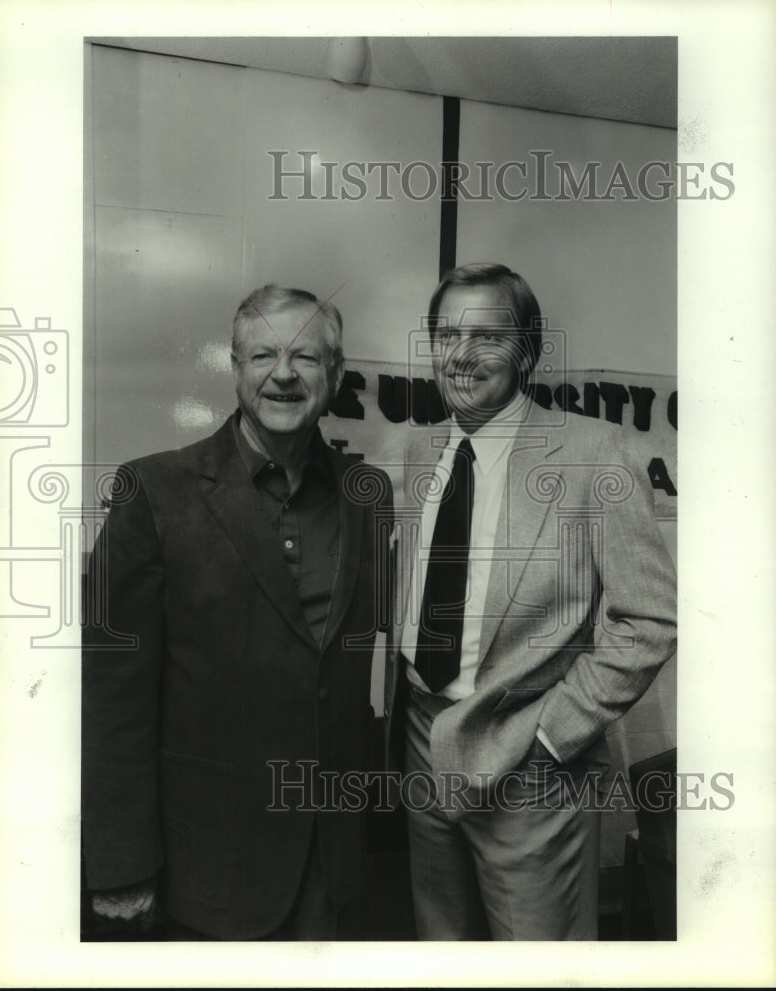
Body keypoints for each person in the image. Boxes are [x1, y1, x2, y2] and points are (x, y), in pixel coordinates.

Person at [82, 284, 392, 941]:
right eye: (263, 356)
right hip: (208, 864)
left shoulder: (366, 497)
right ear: (235, 367)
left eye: (306, 358)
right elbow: (113, 702)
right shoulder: (154, 491)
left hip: (328, 860)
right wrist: (119, 865)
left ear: (334, 375)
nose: (283, 374)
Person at [384, 263, 677, 940]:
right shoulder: (419, 450)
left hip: (531, 761)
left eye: (487, 336)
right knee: (441, 944)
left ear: (528, 350)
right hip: (422, 741)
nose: (461, 355)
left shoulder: (595, 453)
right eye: (445, 335)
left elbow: (650, 618)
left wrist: (552, 738)